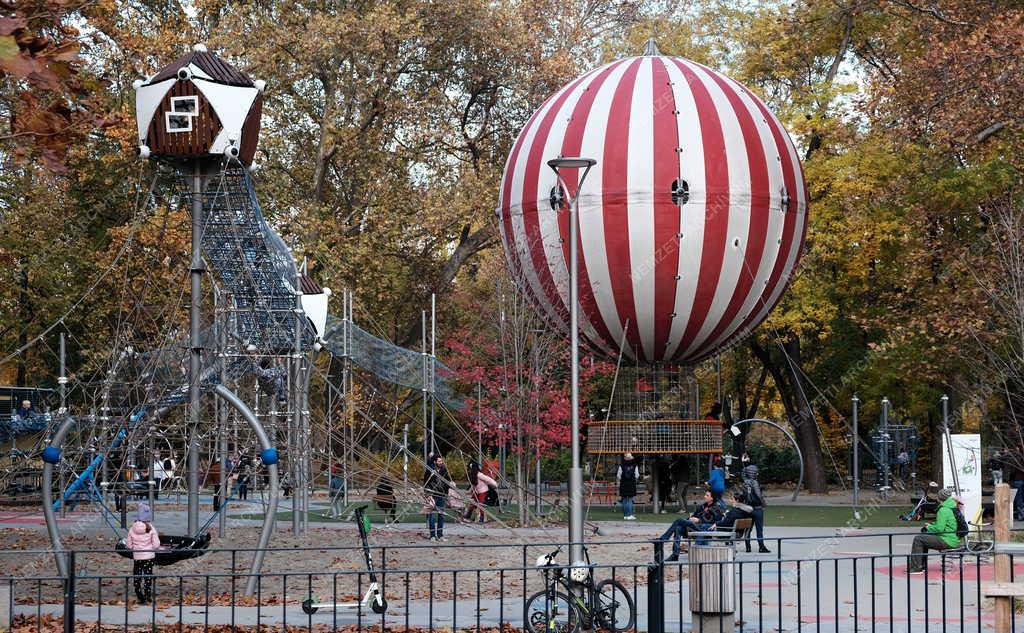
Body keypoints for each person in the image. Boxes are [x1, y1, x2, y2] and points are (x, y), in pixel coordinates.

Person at [660, 490, 726, 561]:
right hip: (694, 526)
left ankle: (664, 538)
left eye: (707, 495)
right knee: (678, 529)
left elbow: (716, 520)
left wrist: (699, 520)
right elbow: (695, 515)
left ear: (712, 498)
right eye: (705, 495)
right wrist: (691, 518)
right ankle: (675, 555)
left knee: (679, 520)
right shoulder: (703, 506)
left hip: (702, 527)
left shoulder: (716, 507)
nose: (704, 496)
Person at [908, 487, 961, 574]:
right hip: (953, 538)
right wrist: (931, 525)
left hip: (947, 540)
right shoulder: (953, 507)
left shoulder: (943, 510)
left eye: (937, 496)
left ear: (939, 498)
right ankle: (921, 566)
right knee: (923, 538)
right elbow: (945, 524)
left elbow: (939, 529)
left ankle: (916, 568)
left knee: (918, 539)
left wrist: (929, 527)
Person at [125, 503, 161, 604]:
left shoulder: (132, 528)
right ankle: (147, 596)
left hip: (137, 557)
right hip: (149, 557)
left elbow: (128, 544)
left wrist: (133, 548)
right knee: (147, 576)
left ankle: (139, 594)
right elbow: (156, 544)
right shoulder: (151, 528)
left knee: (137, 575)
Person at [740, 464, 770, 552]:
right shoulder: (754, 482)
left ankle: (748, 547)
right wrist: (764, 504)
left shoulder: (745, 482)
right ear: (753, 473)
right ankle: (761, 546)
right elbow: (759, 495)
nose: (757, 474)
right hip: (757, 508)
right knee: (759, 529)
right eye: (756, 472)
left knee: (748, 528)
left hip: (748, 508)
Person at [424, 453, 451, 541]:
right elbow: (426, 483)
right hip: (432, 495)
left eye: (441, 461)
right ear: (435, 462)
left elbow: (448, 481)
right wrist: (428, 495)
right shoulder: (429, 470)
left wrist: (450, 485)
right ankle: (432, 535)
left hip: (442, 495)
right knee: (431, 515)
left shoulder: (444, 470)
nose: (441, 462)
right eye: (439, 461)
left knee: (441, 515)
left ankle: (440, 535)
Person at [617, 453, 639, 520]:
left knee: (624, 499)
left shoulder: (621, 466)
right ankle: (629, 515)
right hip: (631, 484)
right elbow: (637, 475)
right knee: (630, 500)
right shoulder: (635, 466)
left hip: (623, 484)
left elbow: (618, 475)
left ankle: (625, 515)